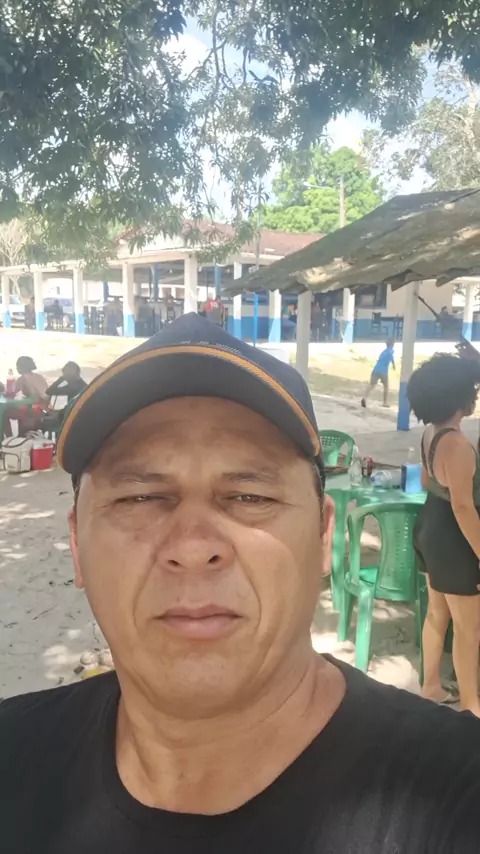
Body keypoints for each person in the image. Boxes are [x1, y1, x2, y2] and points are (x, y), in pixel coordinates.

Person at [3, 315, 480, 853]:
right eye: (139, 497)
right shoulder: (12, 756)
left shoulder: (455, 797)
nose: (192, 546)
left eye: (250, 496)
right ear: (76, 543)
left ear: (323, 535)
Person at [408, 354, 480, 716]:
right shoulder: (458, 445)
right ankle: (471, 707)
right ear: (458, 398)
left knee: (437, 614)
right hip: (454, 537)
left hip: (429, 525)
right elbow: (463, 507)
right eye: (472, 390)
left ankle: (431, 687)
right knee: (469, 629)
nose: (476, 395)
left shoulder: (430, 434)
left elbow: (426, 479)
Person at [3, 356, 48, 437]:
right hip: (42, 408)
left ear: (22, 367)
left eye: (18, 366)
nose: (16, 368)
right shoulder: (37, 376)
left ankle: (10, 438)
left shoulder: (25, 378)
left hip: (34, 410)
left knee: (5, 413)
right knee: (15, 411)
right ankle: (15, 437)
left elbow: (11, 393)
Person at [361, 338, 396, 408]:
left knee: (372, 385)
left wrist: (392, 363)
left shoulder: (383, 352)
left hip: (376, 369)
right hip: (383, 371)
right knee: (386, 387)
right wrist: (393, 364)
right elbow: (391, 355)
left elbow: (382, 358)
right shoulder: (391, 350)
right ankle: (384, 403)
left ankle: (364, 398)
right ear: (392, 344)